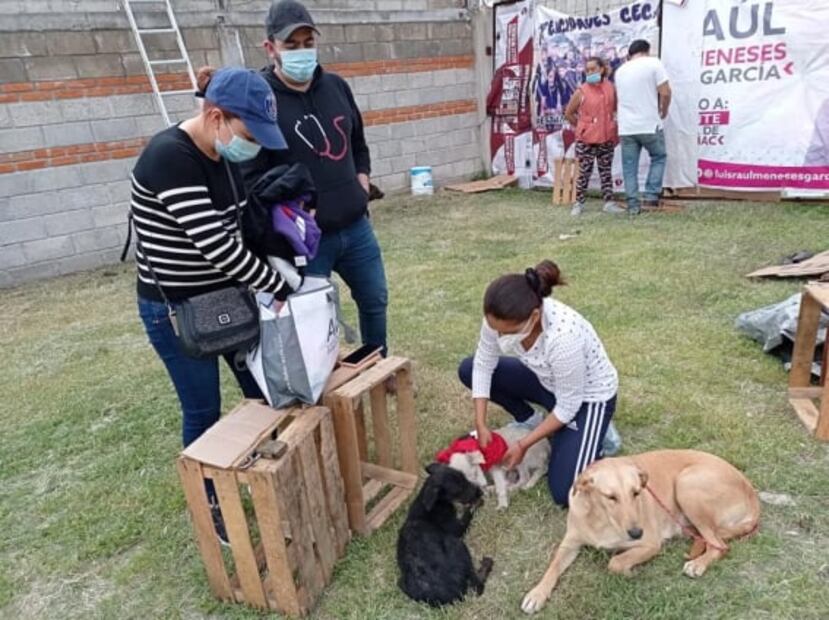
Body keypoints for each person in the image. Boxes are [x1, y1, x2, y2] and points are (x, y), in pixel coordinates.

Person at [131, 65, 291, 542]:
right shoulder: (170, 158)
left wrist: (279, 258)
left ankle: (268, 484)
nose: (254, 146)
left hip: (227, 297)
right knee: (203, 412)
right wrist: (275, 285)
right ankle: (212, 502)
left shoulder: (223, 155)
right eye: (249, 134)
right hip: (177, 312)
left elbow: (238, 228)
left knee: (261, 395)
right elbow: (215, 246)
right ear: (216, 116)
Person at [242, 0, 389, 355]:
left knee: (375, 301)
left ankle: (376, 363)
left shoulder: (336, 87)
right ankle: (323, 382)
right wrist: (287, 215)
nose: (302, 52)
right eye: (291, 46)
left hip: (356, 229)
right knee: (310, 316)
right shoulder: (260, 100)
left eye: (308, 43)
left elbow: (358, 144)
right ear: (270, 48)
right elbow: (251, 176)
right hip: (306, 242)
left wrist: (362, 179)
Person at [457, 261, 619, 507]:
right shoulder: (498, 317)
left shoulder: (563, 338)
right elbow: (482, 364)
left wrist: (523, 444)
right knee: (468, 369)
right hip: (549, 381)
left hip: (587, 398)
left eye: (505, 332)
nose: (498, 336)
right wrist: (480, 422)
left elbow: (568, 405)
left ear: (534, 317)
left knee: (564, 490)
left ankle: (599, 433)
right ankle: (531, 419)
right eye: (494, 329)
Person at [614, 39, 671, 214]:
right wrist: (664, 109)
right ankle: (651, 196)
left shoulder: (620, 71)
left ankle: (633, 205)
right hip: (649, 123)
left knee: (629, 166)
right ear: (647, 50)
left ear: (630, 53)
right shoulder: (653, 63)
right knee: (659, 156)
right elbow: (666, 91)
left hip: (626, 127)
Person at [564, 57, 624, 216]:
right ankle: (579, 203)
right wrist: (582, 128)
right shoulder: (581, 90)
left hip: (606, 137)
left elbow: (616, 108)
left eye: (593, 69)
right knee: (584, 172)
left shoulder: (611, 88)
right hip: (586, 140)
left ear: (602, 69)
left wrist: (611, 125)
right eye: (587, 70)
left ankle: (609, 203)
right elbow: (569, 113)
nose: (589, 72)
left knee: (606, 172)